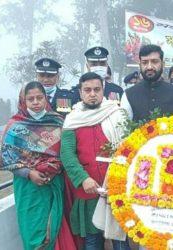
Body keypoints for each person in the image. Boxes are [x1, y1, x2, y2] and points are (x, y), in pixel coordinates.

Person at [0, 81, 75, 250]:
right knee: (33, 231)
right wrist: (29, 173)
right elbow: (8, 159)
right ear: (23, 101)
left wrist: (55, 167)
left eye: (39, 98)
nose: (35, 102)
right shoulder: (15, 126)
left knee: (55, 228)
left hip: (53, 184)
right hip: (28, 189)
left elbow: (68, 152)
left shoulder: (57, 121)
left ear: (45, 99)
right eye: (30, 99)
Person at [61, 72, 129, 250]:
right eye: (87, 90)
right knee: (92, 242)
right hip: (88, 190)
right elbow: (67, 155)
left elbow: (129, 149)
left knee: (121, 242)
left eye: (97, 89)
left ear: (103, 90)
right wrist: (83, 179)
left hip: (116, 188)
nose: (92, 94)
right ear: (81, 92)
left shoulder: (117, 114)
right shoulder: (72, 120)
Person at [120, 44, 173, 122]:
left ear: (163, 64)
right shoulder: (129, 94)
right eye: (145, 62)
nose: (149, 67)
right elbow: (123, 129)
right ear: (140, 65)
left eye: (154, 62)